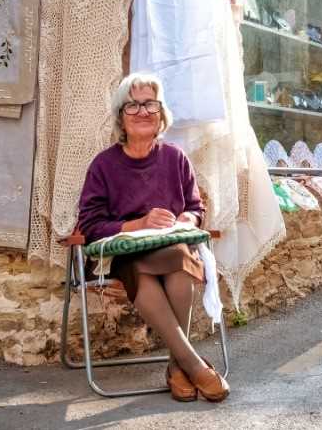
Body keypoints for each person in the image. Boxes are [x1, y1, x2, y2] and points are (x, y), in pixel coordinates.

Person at [77, 73, 230, 403]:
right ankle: (192, 364)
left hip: (172, 249)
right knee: (145, 269)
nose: (143, 111)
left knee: (178, 261)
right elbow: (89, 224)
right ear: (121, 116)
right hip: (125, 258)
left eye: (150, 104)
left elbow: (194, 208)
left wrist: (186, 219)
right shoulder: (103, 165)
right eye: (133, 105)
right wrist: (139, 223)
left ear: (161, 113)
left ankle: (177, 368)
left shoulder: (175, 158)